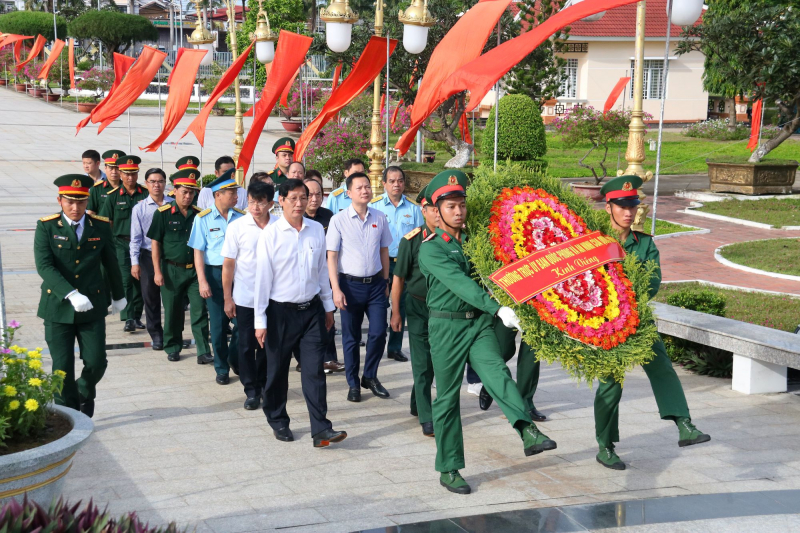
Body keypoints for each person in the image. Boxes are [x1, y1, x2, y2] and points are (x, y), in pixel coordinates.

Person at [418, 170, 557, 495]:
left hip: (477, 323)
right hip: (446, 326)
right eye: (450, 206)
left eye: (461, 204)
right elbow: (461, 284)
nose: (458, 211)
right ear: (437, 212)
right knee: (448, 399)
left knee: (497, 374)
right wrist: (497, 309)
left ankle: (526, 430)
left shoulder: (478, 243)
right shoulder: (431, 249)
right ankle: (449, 468)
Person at [594, 175, 710, 470]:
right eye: (622, 206)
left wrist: (629, 302)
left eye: (633, 205)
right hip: (606, 324)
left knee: (662, 367)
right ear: (609, 207)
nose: (629, 212)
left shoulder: (644, 243)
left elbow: (652, 280)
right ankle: (605, 446)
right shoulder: (593, 242)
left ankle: (684, 425)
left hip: (637, 319)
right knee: (611, 384)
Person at [254, 179, 347, 448]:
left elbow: (321, 271)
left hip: (312, 312)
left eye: (303, 198)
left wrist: (328, 307)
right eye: (293, 198)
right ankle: (278, 419)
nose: (299, 203)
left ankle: (321, 429)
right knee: (277, 371)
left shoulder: (317, 230)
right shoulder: (270, 235)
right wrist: (260, 321)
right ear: (280, 200)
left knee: (314, 371)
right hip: (279, 313)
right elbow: (262, 280)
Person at [34, 175, 126, 418]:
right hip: (58, 306)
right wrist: (71, 293)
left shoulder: (100, 225)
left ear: (87, 201)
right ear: (60, 200)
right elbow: (44, 266)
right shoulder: (47, 226)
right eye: (69, 202)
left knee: (97, 361)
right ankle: (68, 413)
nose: (75, 208)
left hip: (92, 305)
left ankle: (84, 391)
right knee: (61, 367)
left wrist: (119, 295)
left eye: (81, 202)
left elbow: (111, 262)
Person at [326, 172, 392, 402]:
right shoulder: (339, 220)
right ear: (349, 193)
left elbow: (384, 251)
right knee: (351, 338)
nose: (364, 191)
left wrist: (385, 280)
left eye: (367, 186)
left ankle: (370, 376)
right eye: (359, 187)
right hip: (349, 285)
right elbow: (331, 257)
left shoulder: (380, 217)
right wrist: (336, 289)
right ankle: (353, 383)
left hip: (375, 284)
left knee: (378, 332)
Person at [222, 181, 278, 410]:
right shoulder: (237, 227)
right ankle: (251, 390)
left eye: (261, 202)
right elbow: (228, 265)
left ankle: (265, 385)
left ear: (270, 204)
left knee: (268, 345)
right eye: (252, 202)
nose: (255, 207)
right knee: (246, 345)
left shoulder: (279, 225)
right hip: (245, 297)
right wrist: (228, 297)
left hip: (274, 297)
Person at [148, 170, 212, 364]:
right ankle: (173, 346)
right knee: (173, 311)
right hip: (171, 270)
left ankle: (203, 350)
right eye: (184, 192)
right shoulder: (163, 214)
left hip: (194, 271)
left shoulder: (199, 215)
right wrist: (157, 271)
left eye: (192, 193)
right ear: (174, 191)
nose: (188, 196)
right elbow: (156, 244)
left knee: (199, 310)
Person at [189, 169, 245, 385]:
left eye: (235, 192)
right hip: (214, 273)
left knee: (242, 322)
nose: (235, 196)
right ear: (217, 195)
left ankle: (233, 357)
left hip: (238, 274)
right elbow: (198, 252)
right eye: (230, 192)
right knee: (219, 326)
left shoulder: (240, 217)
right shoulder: (202, 219)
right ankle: (221, 368)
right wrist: (202, 280)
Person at [391, 186, 437, 437]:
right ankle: (427, 416)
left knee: (432, 362)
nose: (438, 214)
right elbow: (398, 280)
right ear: (424, 209)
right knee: (421, 362)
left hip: (443, 310)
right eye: (433, 209)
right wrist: (395, 312)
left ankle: (415, 402)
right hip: (418, 307)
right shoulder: (411, 240)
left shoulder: (453, 238)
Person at [370, 166, 423, 362]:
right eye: (392, 181)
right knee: (379, 304)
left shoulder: (413, 208)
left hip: (404, 264)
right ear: (383, 183)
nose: (396, 184)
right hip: (381, 264)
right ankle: (376, 344)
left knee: (400, 306)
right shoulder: (374, 207)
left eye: (400, 180)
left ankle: (395, 347)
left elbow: (419, 238)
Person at [99, 155, 148, 333]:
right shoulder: (113, 197)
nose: (130, 177)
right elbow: (106, 222)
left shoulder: (145, 194)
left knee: (142, 279)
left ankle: (136, 314)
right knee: (126, 280)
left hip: (142, 244)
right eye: (126, 174)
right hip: (121, 243)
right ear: (120, 173)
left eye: (133, 174)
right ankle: (128, 317)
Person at [302, 177, 344, 374]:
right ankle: (306, 359)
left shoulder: (329, 216)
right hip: (304, 277)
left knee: (328, 318)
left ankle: (329, 358)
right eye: (309, 194)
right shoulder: (297, 217)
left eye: (318, 194)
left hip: (326, 275)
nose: (314, 198)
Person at [130, 168, 171, 351]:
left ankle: (172, 333)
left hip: (169, 256)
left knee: (172, 298)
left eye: (160, 181)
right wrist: (135, 263)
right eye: (153, 181)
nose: (157, 185)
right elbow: (136, 238)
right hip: (147, 256)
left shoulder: (173, 204)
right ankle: (156, 334)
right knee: (151, 297)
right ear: (146, 184)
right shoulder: (139, 208)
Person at [480, 326, 546, 421]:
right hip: (510, 311)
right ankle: (490, 381)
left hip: (538, 312)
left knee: (531, 352)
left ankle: (526, 403)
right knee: (502, 348)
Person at [87, 149, 125, 215]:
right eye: (111, 168)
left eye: (117, 168)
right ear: (105, 168)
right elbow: (91, 213)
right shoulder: (96, 189)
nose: (114, 172)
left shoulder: (126, 189)